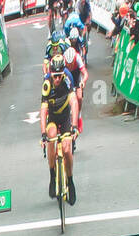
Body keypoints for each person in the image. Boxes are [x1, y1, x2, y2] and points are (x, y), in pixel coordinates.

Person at [41, 53, 79, 203]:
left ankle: (70, 181)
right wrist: (43, 133)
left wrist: (75, 126)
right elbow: (43, 110)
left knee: (67, 149)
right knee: (51, 138)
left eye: (59, 76)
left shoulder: (67, 79)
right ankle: (52, 176)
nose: (57, 79)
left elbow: (74, 103)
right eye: (55, 76)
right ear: (51, 73)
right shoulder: (46, 83)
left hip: (65, 118)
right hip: (52, 117)